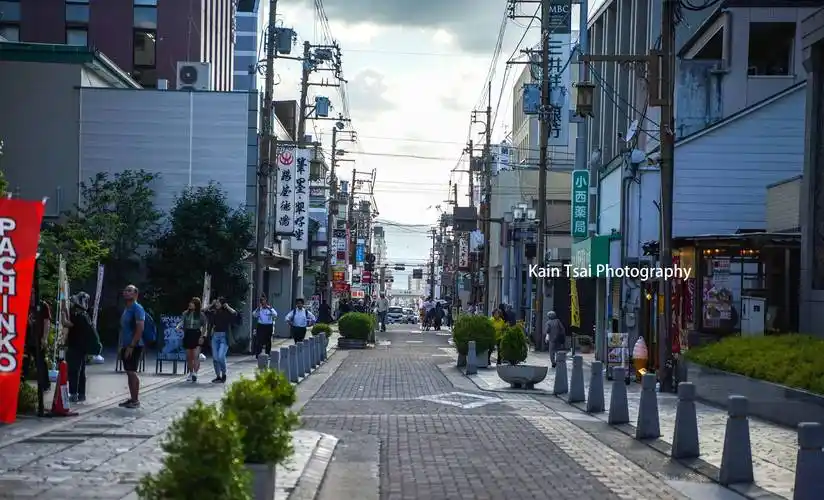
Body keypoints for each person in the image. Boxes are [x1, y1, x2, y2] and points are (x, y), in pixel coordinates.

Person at [64, 292, 95, 403]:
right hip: (82, 347)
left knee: (74, 370)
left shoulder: (78, 315)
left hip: (75, 346)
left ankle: (73, 394)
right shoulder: (86, 315)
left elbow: (67, 324)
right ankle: (81, 394)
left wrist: (63, 314)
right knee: (81, 371)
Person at [119, 284, 146, 409]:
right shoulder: (127, 308)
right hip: (126, 344)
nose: (126, 292)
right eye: (125, 290)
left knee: (132, 371)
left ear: (136, 294)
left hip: (135, 345)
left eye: (129, 291)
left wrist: (131, 345)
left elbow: (140, 329)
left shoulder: (137, 308)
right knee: (128, 372)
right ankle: (132, 398)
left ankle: (136, 400)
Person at [176, 297, 208, 383]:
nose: (190, 304)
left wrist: (202, 336)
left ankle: (195, 373)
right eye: (190, 303)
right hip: (188, 334)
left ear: (196, 305)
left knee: (195, 356)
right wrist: (178, 326)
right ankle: (190, 373)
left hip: (196, 334)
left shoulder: (201, 315)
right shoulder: (185, 313)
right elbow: (182, 322)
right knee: (189, 357)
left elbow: (205, 326)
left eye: (193, 303)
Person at [208, 297, 237, 383]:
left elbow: (235, 313)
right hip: (215, 336)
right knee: (215, 358)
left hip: (224, 336)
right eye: (216, 303)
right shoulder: (213, 312)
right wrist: (211, 304)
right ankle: (218, 376)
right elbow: (203, 311)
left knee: (221, 356)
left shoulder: (227, 312)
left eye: (218, 303)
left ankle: (224, 374)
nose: (216, 304)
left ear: (222, 304)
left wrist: (227, 306)